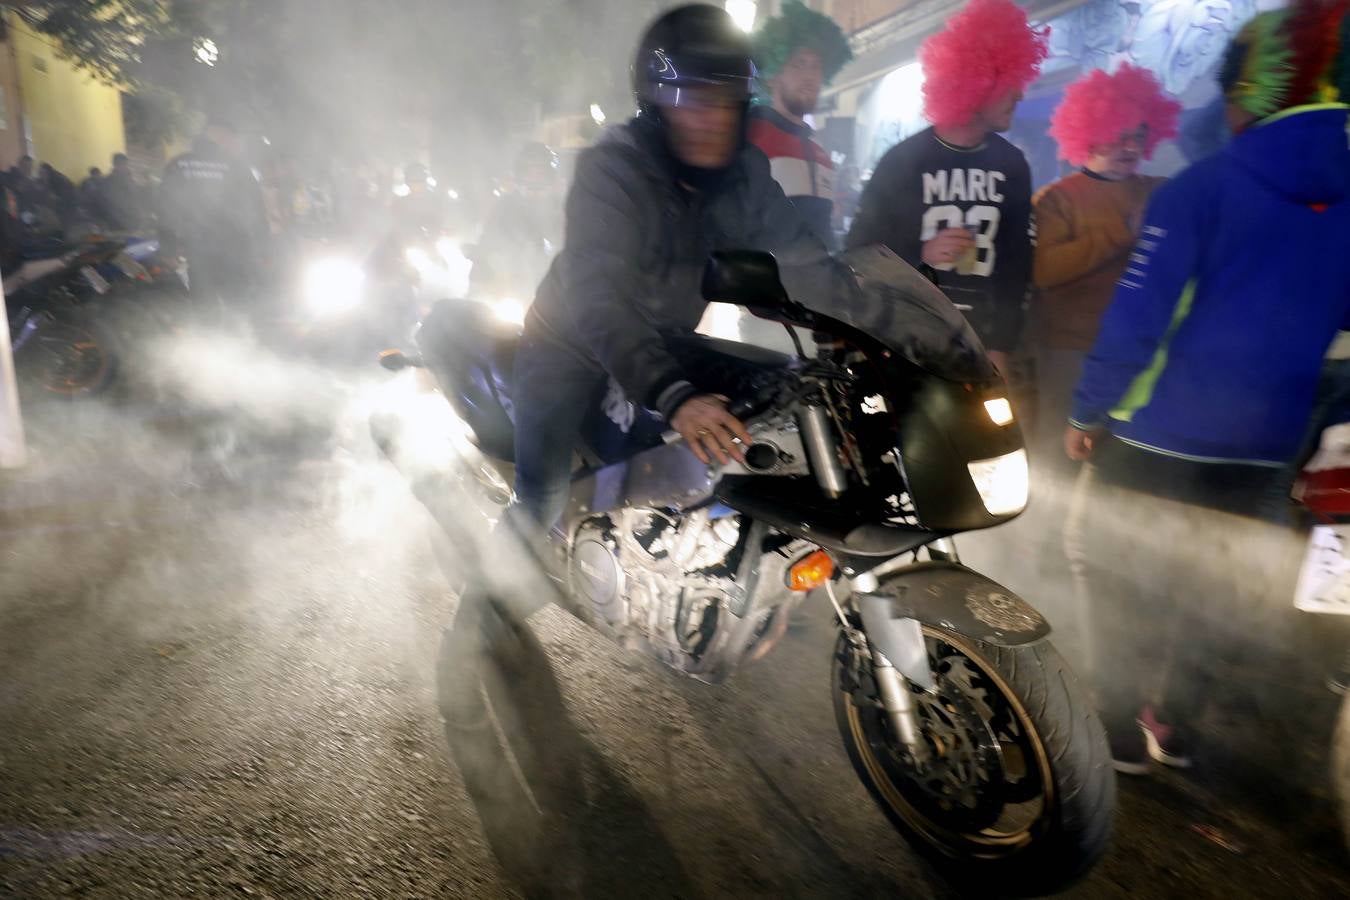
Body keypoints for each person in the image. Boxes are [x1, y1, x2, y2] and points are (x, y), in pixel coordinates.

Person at [1063, 0, 1350, 773]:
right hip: (1267, 444)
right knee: (1208, 587)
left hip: (1159, 432)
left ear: (1243, 97)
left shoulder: (1200, 189)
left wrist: (1089, 409)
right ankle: (1175, 721)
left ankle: (1120, 727)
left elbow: (1140, 316)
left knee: (1121, 575)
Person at [503, 3, 829, 544]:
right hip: (569, 341)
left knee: (789, 392)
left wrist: (879, 326)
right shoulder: (613, 167)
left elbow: (805, 259)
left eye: (727, 100)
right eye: (692, 100)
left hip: (665, 339)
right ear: (655, 102)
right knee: (542, 498)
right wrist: (676, 397)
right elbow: (599, 299)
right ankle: (479, 625)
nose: (714, 118)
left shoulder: (744, 174)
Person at [846, 0, 1048, 375]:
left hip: (981, 345)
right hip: (908, 341)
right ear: (976, 80)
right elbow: (858, 252)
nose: (1020, 94)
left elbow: (1016, 265)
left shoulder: (1013, 165)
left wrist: (1002, 345)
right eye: (1009, 81)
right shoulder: (903, 162)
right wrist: (919, 253)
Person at [1032, 64, 1180, 464]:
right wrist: (1121, 231)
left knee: (1123, 465)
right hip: (1071, 352)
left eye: (1139, 136)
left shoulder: (1159, 190)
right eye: (1119, 136)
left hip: (1142, 353)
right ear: (1090, 133)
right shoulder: (1056, 199)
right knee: (1058, 458)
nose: (1130, 146)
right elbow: (1045, 270)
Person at [748, 0, 852, 248]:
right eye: (798, 64)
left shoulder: (821, 155)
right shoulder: (750, 140)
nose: (810, 76)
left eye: (816, 66)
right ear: (772, 75)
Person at [157, 120, 270, 321]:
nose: (236, 143)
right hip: (236, 250)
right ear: (221, 136)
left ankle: (213, 345)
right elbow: (257, 209)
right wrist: (263, 248)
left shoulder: (179, 164)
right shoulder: (236, 166)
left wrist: (168, 248)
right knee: (239, 306)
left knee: (205, 307)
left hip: (198, 250)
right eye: (232, 138)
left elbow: (166, 210)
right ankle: (243, 344)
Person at [470, 142, 563, 301]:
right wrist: (480, 261)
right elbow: (489, 237)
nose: (535, 178)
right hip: (511, 285)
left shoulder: (563, 209)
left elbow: (577, 246)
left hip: (556, 291)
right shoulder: (504, 206)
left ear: (550, 175)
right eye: (530, 172)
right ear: (520, 174)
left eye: (540, 172)